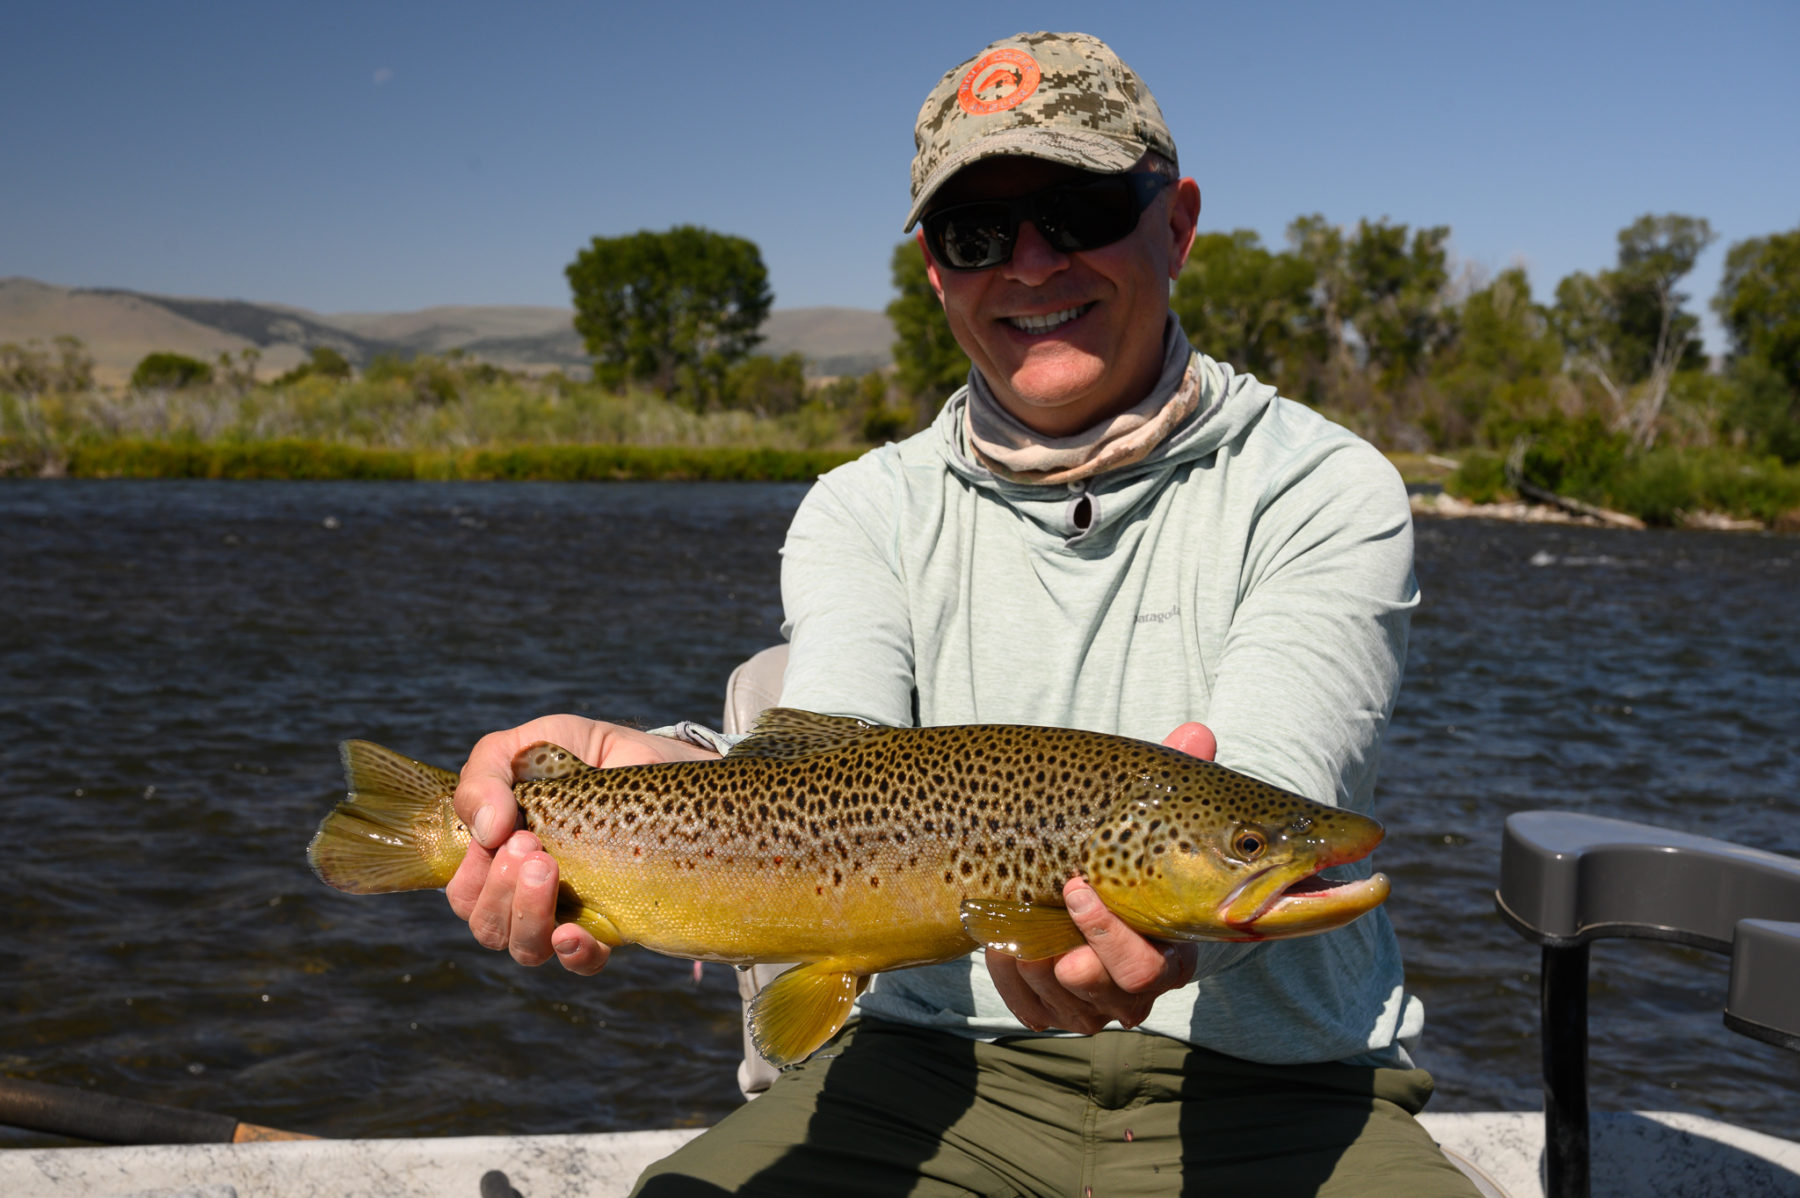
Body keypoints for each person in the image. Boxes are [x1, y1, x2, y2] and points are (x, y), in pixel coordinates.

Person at [448, 31, 1480, 1198]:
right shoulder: (862, 508)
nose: (1031, 265)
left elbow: (1271, 789)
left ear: (1179, 223)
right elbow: (830, 767)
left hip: (1284, 1091)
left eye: (1078, 208)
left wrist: (1184, 898)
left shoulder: (1320, 484)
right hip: (925, 1075)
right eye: (976, 234)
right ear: (938, 272)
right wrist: (657, 770)